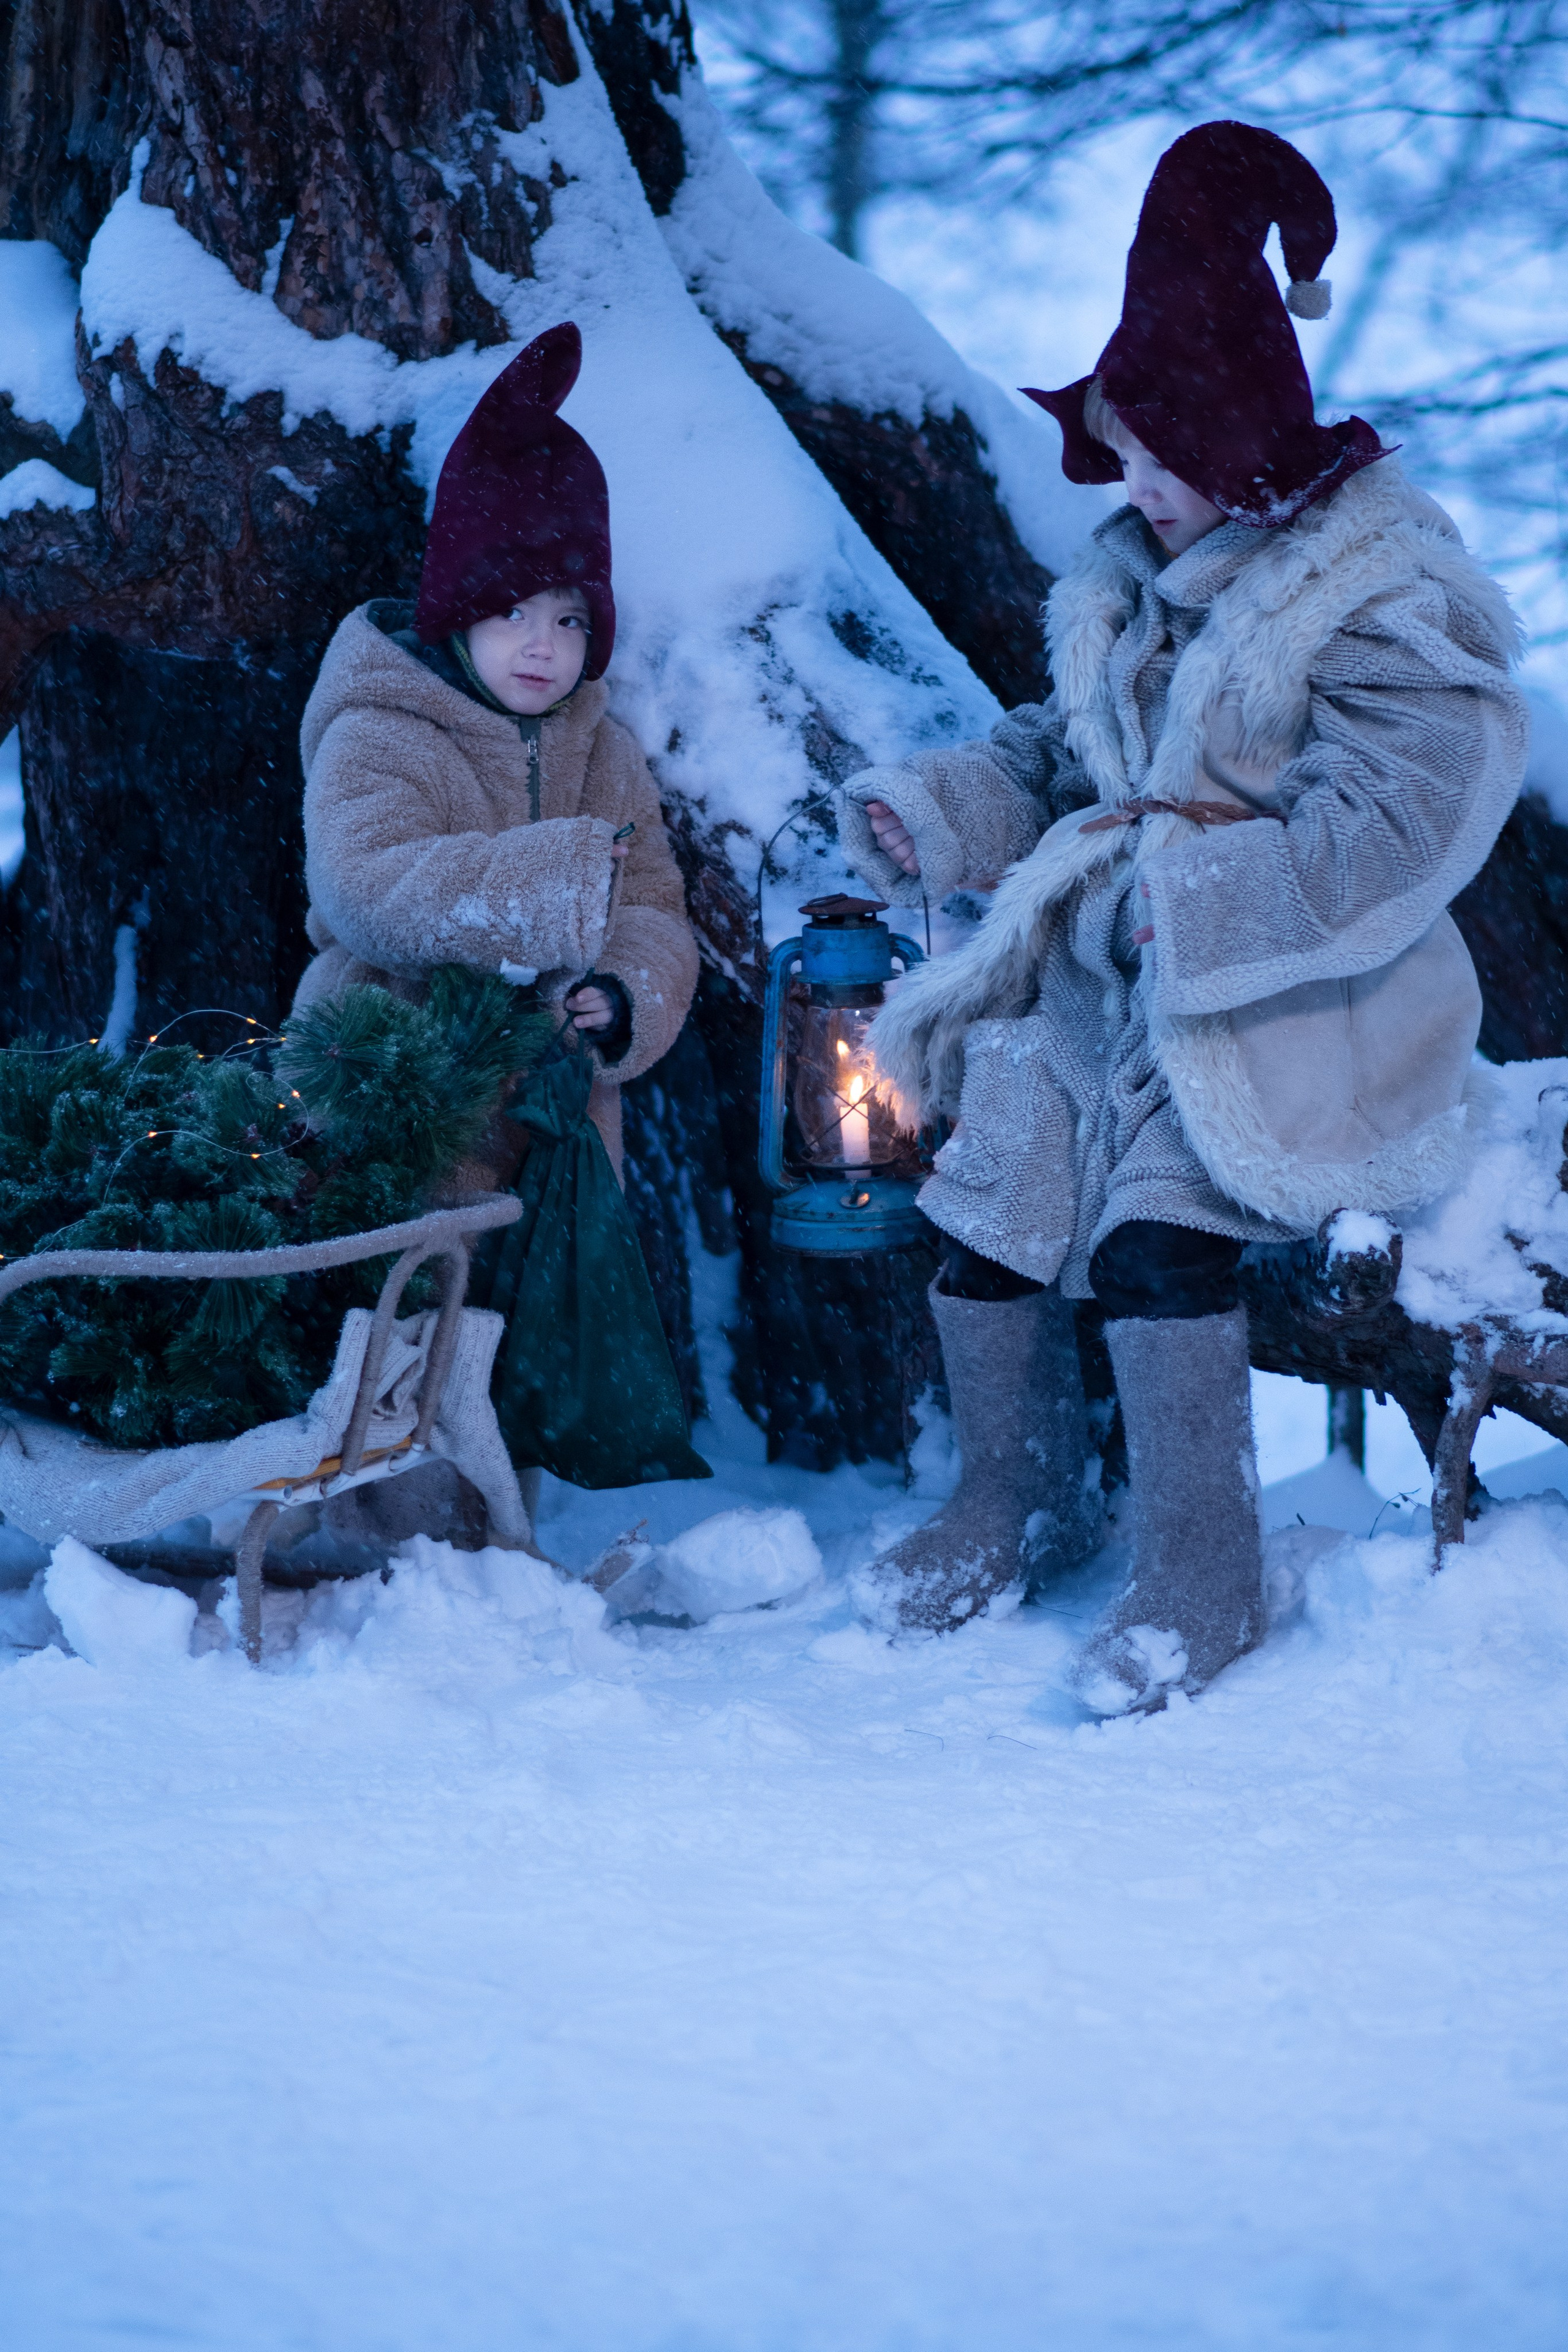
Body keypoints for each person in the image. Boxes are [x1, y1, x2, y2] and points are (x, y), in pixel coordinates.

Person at [835, 122, 1528, 1713]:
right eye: (1123, 452)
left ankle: (1199, 1558)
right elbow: (1057, 752)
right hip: (1105, 990)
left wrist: (1193, 895)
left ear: (1240, 449)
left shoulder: (1369, 599)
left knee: (1160, 1248)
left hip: (1285, 1002)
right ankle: (1015, 1499)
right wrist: (938, 812)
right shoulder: (1142, 580)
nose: (1129, 484)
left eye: (1156, 454)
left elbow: (1398, 819)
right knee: (987, 1224)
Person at [292, 320, 697, 1188]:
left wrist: (625, 992)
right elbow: (366, 889)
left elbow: (657, 907)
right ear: (460, 611)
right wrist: (558, 880)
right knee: (416, 1305)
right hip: (393, 1084)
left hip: (558, 1127)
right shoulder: (382, 726)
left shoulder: (606, 754)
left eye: (569, 619)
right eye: (513, 612)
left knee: (549, 1315)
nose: (543, 645)